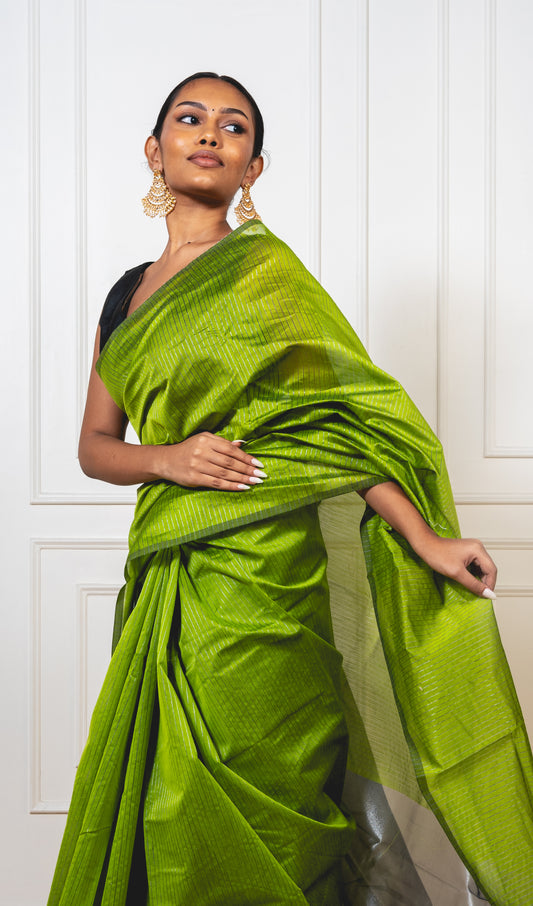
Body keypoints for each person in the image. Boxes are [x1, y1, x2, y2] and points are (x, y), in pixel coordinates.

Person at [47, 73, 533, 906]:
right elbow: (96, 448)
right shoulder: (125, 297)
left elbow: (338, 428)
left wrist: (425, 539)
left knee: (279, 779)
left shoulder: (267, 279)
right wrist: (169, 459)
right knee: (172, 793)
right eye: (189, 119)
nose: (209, 134)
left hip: (274, 576)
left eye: (232, 127)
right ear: (153, 149)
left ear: (253, 168)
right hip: (173, 577)